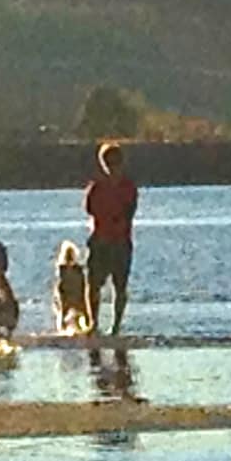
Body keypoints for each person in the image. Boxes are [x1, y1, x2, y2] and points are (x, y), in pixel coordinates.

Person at [84, 143, 138, 337]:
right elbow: (90, 209)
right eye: (109, 162)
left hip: (115, 241)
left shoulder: (124, 187)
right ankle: (98, 324)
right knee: (98, 285)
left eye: (114, 162)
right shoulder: (99, 187)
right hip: (106, 241)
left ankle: (110, 327)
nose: (112, 166)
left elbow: (127, 212)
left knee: (115, 286)